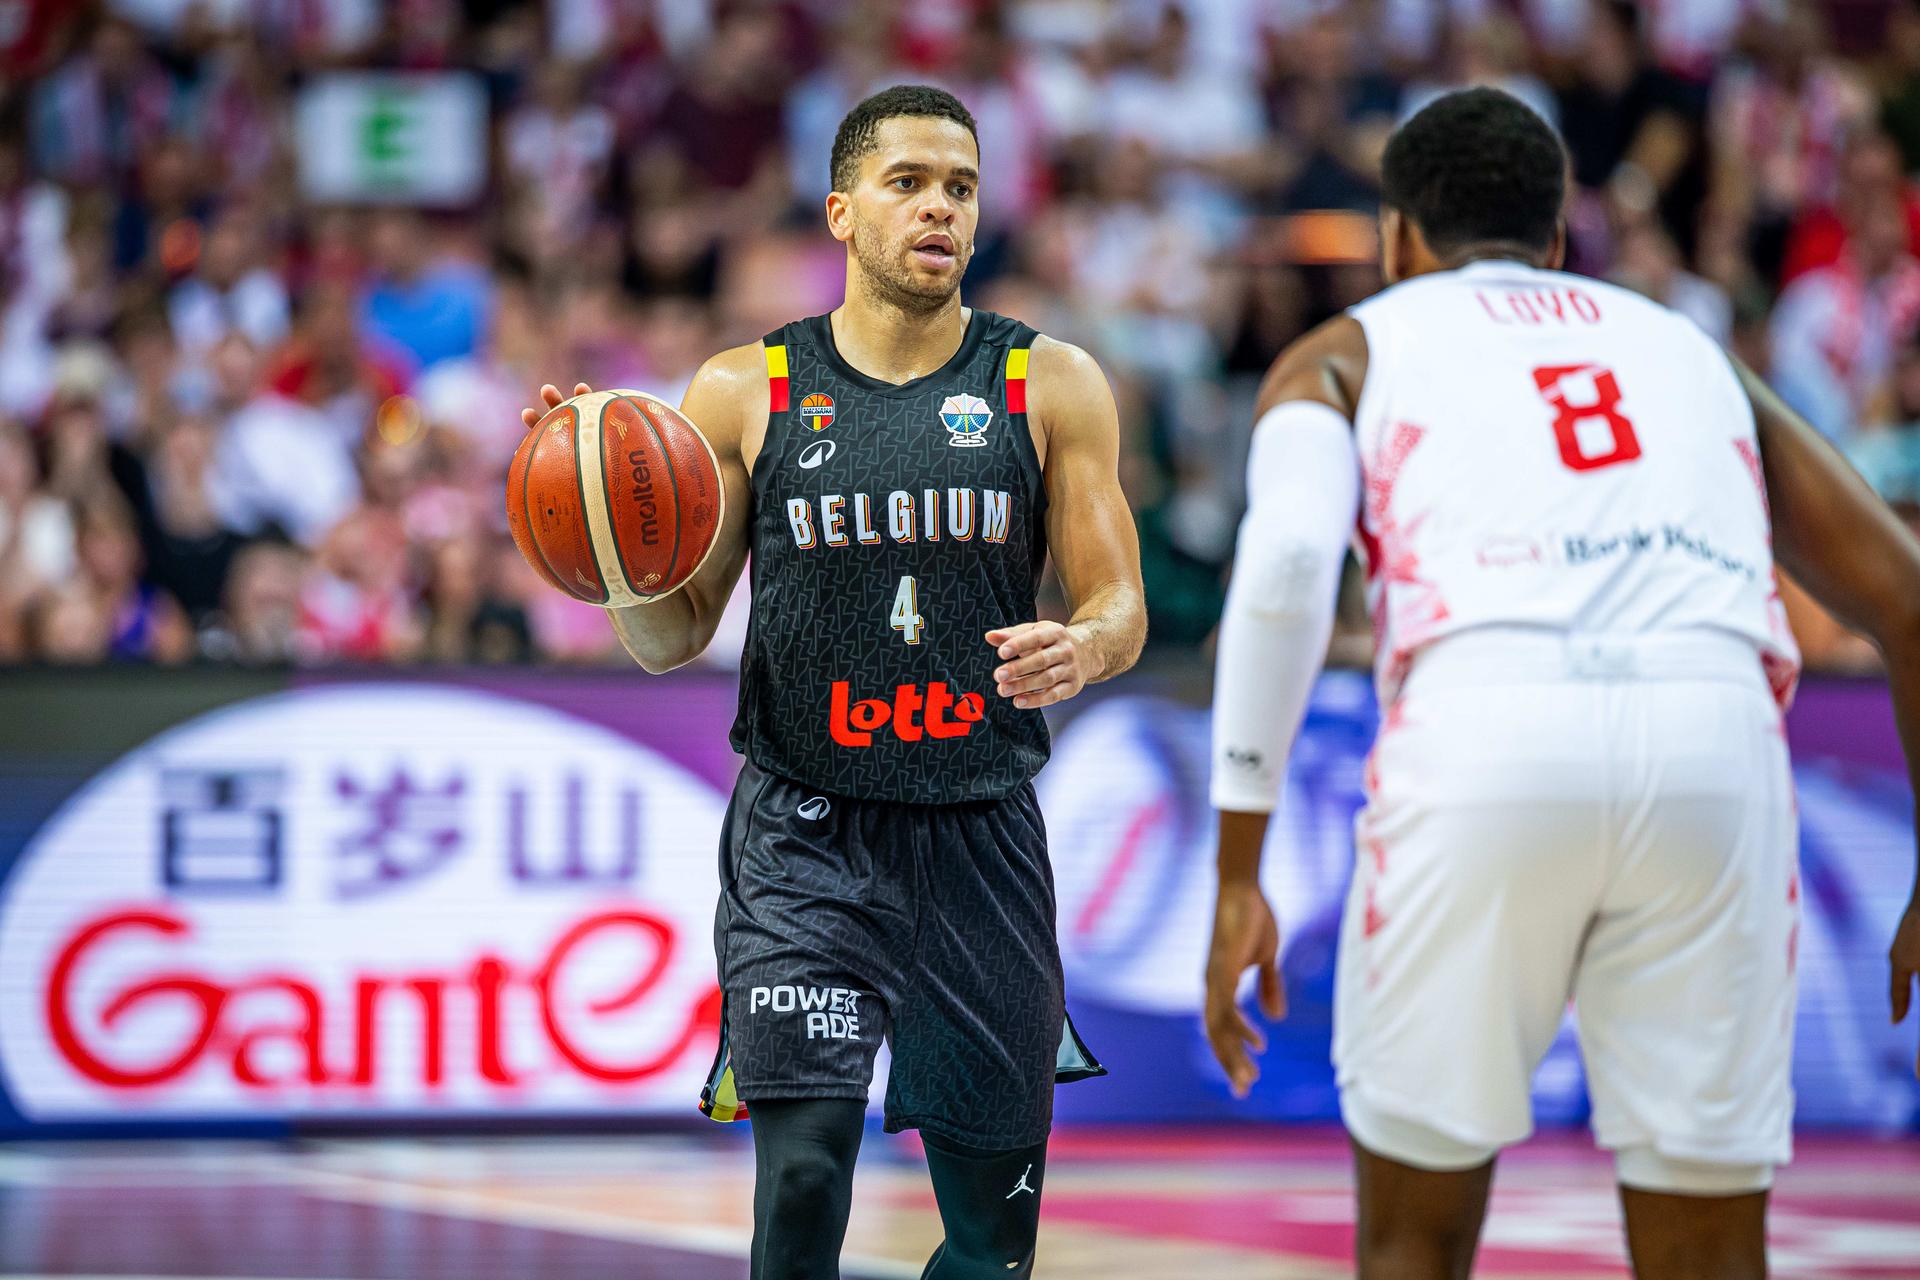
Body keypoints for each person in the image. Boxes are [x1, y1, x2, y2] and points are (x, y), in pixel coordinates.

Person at [1201, 87, 1920, 1280]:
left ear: (1397, 240)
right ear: (1554, 238)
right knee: (1708, 1239)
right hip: (1717, 746)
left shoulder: (1350, 346)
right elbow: (1904, 595)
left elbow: (1281, 565)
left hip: (1484, 730)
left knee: (1415, 1240)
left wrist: (1238, 866)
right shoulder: (1686, 345)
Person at [520, 85, 1145, 1279]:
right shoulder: (740, 389)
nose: (939, 208)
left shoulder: (1048, 381)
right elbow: (671, 634)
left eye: (960, 186)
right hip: (805, 837)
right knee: (804, 1177)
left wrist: (1090, 642)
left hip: (979, 838)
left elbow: (1117, 596)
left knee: (992, 1244)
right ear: (842, 212)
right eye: (909, 182)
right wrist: (610, 547)